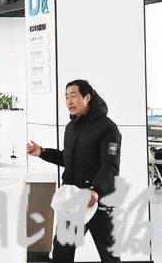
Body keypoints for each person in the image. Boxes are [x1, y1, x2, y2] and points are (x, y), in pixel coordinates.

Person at [27, 79, 120, 263]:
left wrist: (96, 191)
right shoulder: (72, 127)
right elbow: (68, 159)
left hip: (97, 200)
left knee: (109, 254)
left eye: (73, 96)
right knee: (62, 251)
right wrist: (42, 152)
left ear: (87, 97)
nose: (69, 101)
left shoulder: (108, 127)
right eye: (66, 97)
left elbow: (110, 165)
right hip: (74, 199)